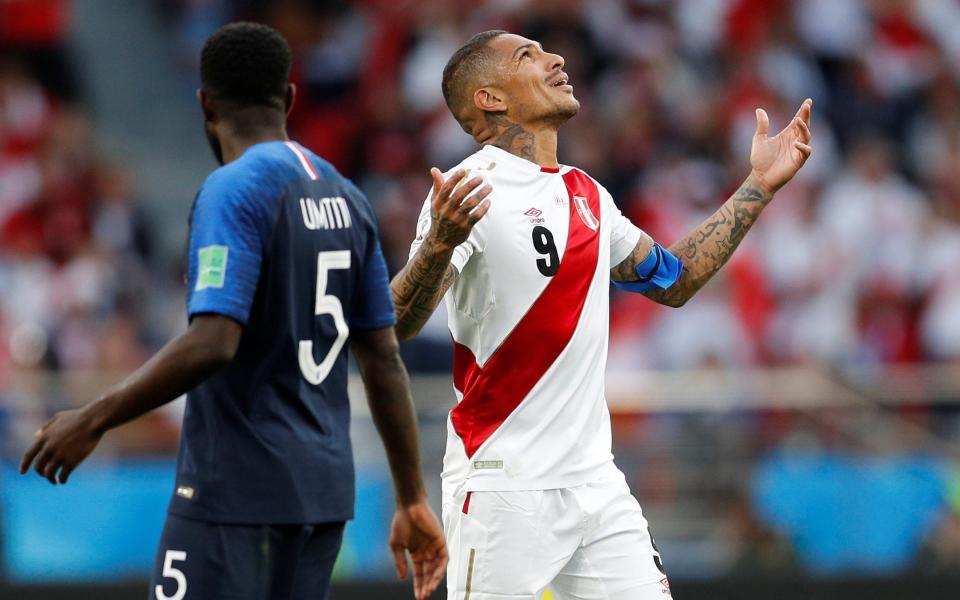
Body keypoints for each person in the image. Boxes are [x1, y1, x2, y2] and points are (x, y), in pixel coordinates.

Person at [19, 22, 446, 600]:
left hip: (236, 494)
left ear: (205, 103)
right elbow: (382, 358)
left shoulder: (234, 189)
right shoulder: (348, 197)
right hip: (322, 498)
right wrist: (412, 497)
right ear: (290, 98)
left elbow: (215, 340)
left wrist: (92, 417)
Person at [390, 30, 812, 600]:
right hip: (503, 487)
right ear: (490, 98)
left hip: (595, 484)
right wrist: (438, 245)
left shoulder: (587, 193)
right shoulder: (470, 187)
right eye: (528, 55)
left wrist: (758, 184)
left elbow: (674, 280)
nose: (556, 58)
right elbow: (396, 324)